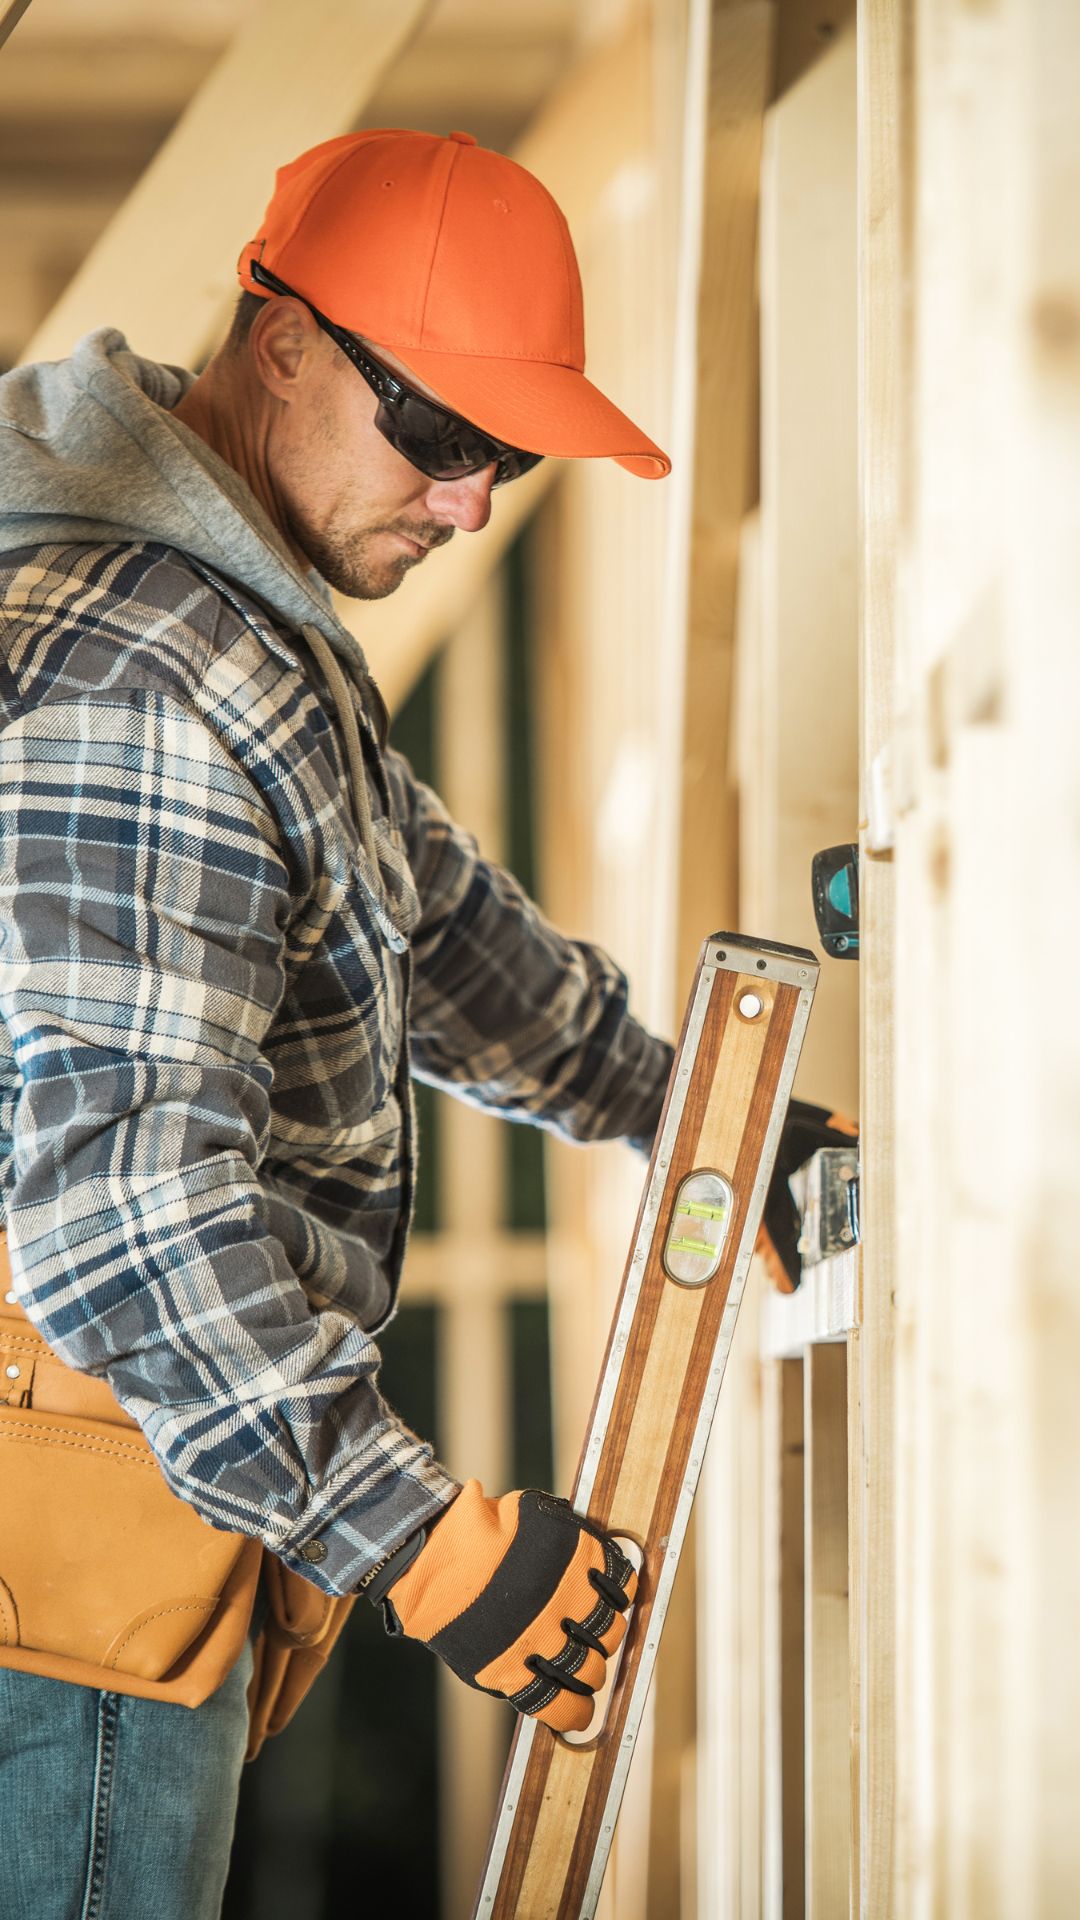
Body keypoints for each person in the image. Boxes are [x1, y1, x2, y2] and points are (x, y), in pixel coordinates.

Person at [0, 127, 850, 1917]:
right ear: (282, 333)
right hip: (58, 1587)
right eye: (444, 437)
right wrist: (429, 1542)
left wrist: (700, 1114)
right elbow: (122, 1217)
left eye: (507, 456)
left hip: (122, 1517)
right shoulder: (141, 669)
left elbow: (425, 923)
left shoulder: (234, 614)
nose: (472, 501)